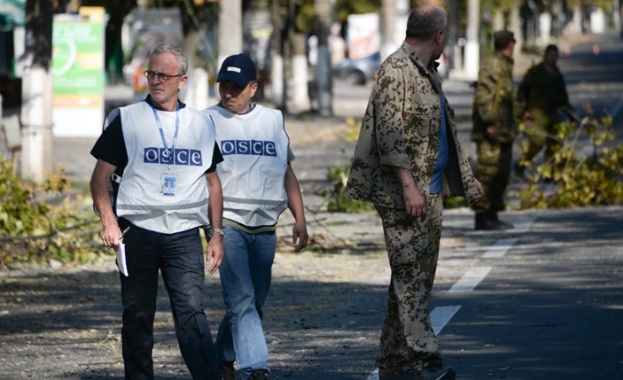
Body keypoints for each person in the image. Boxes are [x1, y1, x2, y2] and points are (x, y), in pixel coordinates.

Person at [345, 5, 483, 380]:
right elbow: (390, 137)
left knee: (412, 281)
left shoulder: (427, 73)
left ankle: (392, 364)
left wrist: (467, 180)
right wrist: (408, 188)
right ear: (438, 36)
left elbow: (442, 132)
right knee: (410, 280)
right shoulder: (396, 71)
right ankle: (426, 362)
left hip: (430, 192)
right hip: (403, 196)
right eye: (447, 35)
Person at [90, 44, 224, 380]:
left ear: (182, 80)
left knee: (192, 312)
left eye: (163, 75)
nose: (155, 80)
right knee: (137, 314)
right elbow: (99, 179)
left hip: (183, 234)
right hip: (138, 232)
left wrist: (216, 234)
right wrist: (108, 221)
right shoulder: (127, 119)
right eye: (150, 73)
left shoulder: (201, 124)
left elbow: (213, 184)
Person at [204, 54, 309, 380]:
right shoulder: (206, 120)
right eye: (224, 85)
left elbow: (286, 171)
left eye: (236, 87)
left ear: (253, 87)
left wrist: (300, 218)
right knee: (243, 299)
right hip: (228, 224)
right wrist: (213, 230)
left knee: (252, 302)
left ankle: (220, 356)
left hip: (265, 227)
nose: (229, 93)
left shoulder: (272, 120)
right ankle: (255, 368)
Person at [470, 30, 518, 231]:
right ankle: (482, 216)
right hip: (492, 129)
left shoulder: (505, 64)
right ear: (510, 44)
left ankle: (493, 214)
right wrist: (490, 122)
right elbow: (483, 96)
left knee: (501, 173)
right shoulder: (492, 64)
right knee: (487, 172)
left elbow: (505, 97)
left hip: (504, 129)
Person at [516, 44, 575, 174]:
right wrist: (523, 110)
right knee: (537, 142)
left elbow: (562, 96)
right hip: (535, 113)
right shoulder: (535, 72)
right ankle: (522, 163)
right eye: (551, 56)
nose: (553, 58)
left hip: (552, 114)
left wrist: (570, 112)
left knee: (554, 143)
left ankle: (550, 172)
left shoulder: (557, 74)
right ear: (545, 56)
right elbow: (522, 90)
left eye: (555, 56)